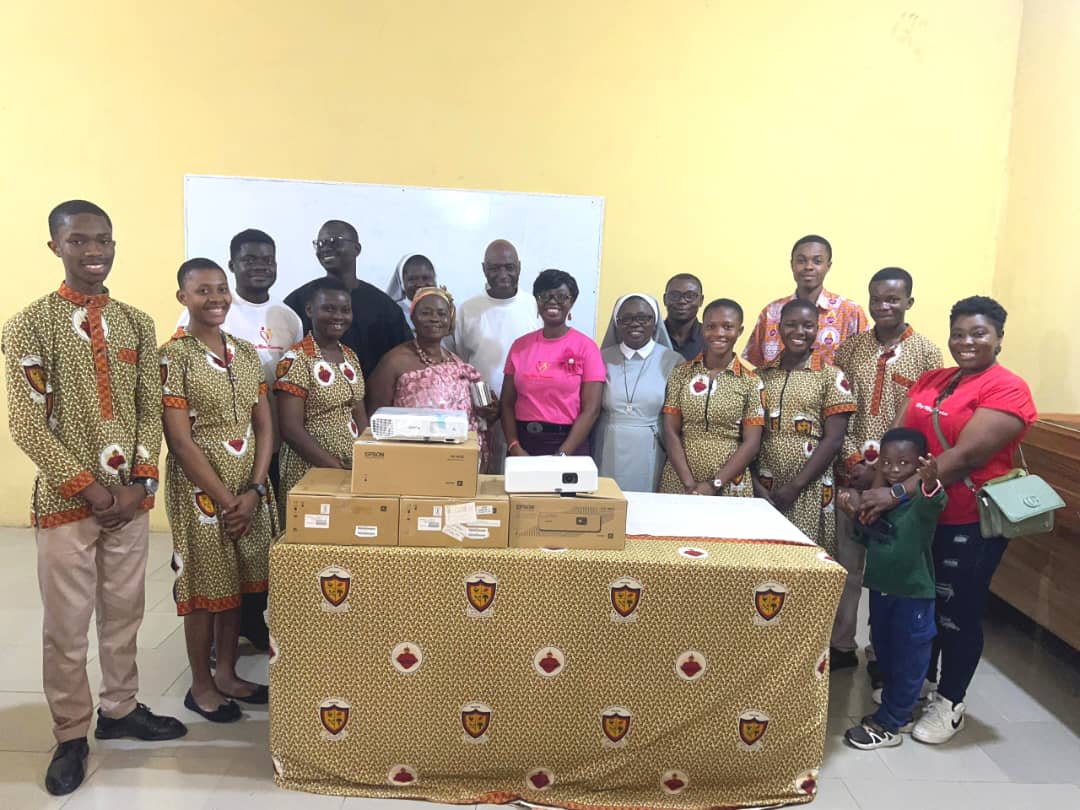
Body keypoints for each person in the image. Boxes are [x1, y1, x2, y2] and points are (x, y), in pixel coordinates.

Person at [3, 200, 186, 796]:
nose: (94, 251)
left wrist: (141, 482)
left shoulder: (136, 322)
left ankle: (121, 709)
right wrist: (87, 486)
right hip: (67, 502)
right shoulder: (28, 326)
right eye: (79, 240)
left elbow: (147, 410)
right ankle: (71, 733)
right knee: (66, 625)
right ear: (54, 246)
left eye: (104, 240)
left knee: (125, 612)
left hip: (129, 501)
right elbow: (28, 424)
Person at [856, 296, 1037, 745]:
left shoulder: (1008, 388)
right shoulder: (934, 379)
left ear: (998, 337)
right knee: (919, 604)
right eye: (959, 333)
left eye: (979, 333)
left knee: (957, 612)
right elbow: (896, 442)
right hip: (918, 520)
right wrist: (874, 497)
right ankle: (918, 681)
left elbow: (963, 458)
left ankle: (949, 700)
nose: (967, 342)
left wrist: (893, 492)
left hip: (967, 520)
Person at [162, 259, 277, 725]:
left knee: (237, 584)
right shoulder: (173, 356)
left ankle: (228, 674)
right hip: (199, 493)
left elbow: (264, 427)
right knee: (206, 588)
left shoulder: (246, 352)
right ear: (183, 298)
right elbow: (180, 440)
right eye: (203, 290)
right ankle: (201, 684)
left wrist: (252, 489)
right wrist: (226, 499)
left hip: (249, 486)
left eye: (221, 290)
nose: (216, 299)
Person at [177, 228, 301, 649]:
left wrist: (253, 484)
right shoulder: (184, 342)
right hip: (205, 469)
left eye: (268, 258)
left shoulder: (282, 320)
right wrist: (231, 496)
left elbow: (274, 406)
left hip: (262, 456)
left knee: (251, 557)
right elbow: (180, 431)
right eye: (250, 259)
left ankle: (243, 642)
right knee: (209, 565)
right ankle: (209, 655)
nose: (260, 265)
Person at [829, 267, 943, 672]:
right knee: (848, 565)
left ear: (909, 302)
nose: (884, 306)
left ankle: (881, 652)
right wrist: (854, 464)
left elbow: (925, 421)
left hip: (898, 481)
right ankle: (841, 644)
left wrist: (882, 474)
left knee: (888, 569)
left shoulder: (928, 354)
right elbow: (837, 410)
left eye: (893, 299)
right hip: (850, 471)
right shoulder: (851, 348)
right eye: (877, 299)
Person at [841, 430, 946, 750]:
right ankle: (899, 705)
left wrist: (929, 483)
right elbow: (872, 537)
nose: (894, 469)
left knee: (909, 655)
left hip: (912, 593)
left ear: (919, 464)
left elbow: (935, 504)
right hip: (883, 590)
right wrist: (853, 515)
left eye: (904, 463)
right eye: (886, 462)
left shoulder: (917, 500)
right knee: (884, 648)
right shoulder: (881, 498)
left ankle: (891, 722)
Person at [753, 298, 856, 554]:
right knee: (764, 558)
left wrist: (795, 486)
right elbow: (749, 434)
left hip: (809, 485)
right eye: (791, 324)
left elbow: (834, 439)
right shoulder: (761, 375)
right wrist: (754, 484)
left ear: (817, 329)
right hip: (763, 484)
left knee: (805, 558)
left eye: (808, 325)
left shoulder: (830, 376)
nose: (799, 332)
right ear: (779, 327)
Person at [367, 287, 498, 469]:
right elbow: (375, 416)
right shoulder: (395, 361)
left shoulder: (456, 361)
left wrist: (488, 411)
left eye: (441, 313)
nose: (434, 319)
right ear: (412, 317)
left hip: (458, 461)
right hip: (413, 462)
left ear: (450, 319)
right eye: (426, 313)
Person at [275, 278, 369, 516]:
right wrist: (334, 468)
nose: (338, 316)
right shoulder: (296, 360)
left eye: (345, 310)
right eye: (328, 308)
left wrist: (368, 457)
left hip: (351, 468)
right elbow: (290, 429)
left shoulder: (350, 356)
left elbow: (359, 412)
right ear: (310, 310)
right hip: (310, 470)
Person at [658, 299, 764, 496]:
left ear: (739, 331)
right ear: (702, 330)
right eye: (711, 327)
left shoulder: (751, 381)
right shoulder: (681, 374)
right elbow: (671, 431)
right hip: (680, 477)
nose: (719, 333)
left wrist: (714, 484)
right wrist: (689, 484)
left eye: (727, 327)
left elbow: (751, 443)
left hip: (730, 481)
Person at [450, 239, 539, 470]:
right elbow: (458, 362)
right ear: (483, 269)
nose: (503, 274)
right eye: (494, 267)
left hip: (524, 410)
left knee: (518, 478)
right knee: (480, 474)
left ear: (519, 267)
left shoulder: (534, 306)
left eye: (509, 267)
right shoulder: (467, 309)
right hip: (481, 409)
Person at [284, 219, 413, 379]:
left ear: (356, 249)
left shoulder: (384, 306)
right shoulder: (300, 300)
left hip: (371, 397)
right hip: (312, 396)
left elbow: (403, 356)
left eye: (334, 241)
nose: (325, 248)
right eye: (320, 243)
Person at [502, 269, 605, 456]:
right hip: (523, 444)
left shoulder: (587, 348)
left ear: (571, 302)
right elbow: (507, 403)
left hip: (569, 444)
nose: (552, 301)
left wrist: (562, 454)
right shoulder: (519, 346)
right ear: (537, 300)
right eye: (545, 295)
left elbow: (592, 410)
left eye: (561, 296)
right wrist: (514, 445)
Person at [593, 293, 684, 491]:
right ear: (617, 323)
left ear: (655, 322)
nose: (635, 323)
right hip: (609, 442)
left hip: (652, 445)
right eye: (627, 318)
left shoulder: (673, 361)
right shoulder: (601, 358)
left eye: (643, 318)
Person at [743, 234, 868, 367]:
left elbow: (864, 365)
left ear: (828, 266)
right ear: (792, 265)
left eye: (817, 261)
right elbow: (757, 363)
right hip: (777, 387)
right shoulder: (771, 312)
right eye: (801, 261)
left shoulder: (850, 312)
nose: (809, 267)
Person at [385, 252, 436, 328]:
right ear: (402, 283)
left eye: (426, 278)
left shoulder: (445, 312)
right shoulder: (391, 314)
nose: (420, 284)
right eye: (413, 279)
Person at [662, 273, 706, 361]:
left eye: (690, 296)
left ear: (701, 300)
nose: (682, 301)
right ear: (665, 299)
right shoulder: (650, 336)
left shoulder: (711, 338)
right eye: (674, 295)